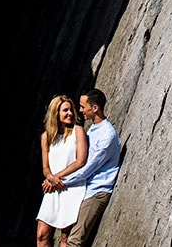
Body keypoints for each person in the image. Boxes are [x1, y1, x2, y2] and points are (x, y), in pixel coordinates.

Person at [46, 88, 120, 247]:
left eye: (82, 107)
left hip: (96, 192)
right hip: (83, 189)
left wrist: (59, 181)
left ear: (95, 108)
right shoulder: (93, 128)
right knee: (64, 237)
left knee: (74, 242)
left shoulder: (107, 135)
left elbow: (88, 168)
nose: (79, 111)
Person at [36, 95, 88, 247]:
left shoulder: (78, 131)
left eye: (71, 110)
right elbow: (45, 167)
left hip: (71, 187)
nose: (70, 113)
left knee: (65, 238)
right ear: (55, 113)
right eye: (65, 110)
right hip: (53, 188)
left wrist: (54, 178)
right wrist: (50, 177)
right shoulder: (46, 137)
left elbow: (80, 161)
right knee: (41, 235)